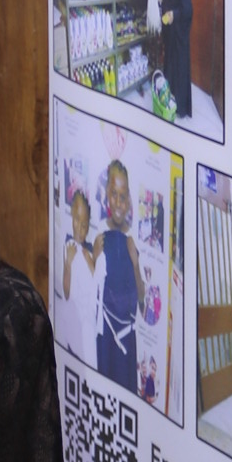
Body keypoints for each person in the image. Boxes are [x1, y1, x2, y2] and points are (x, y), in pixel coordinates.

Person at [94, 160, 140, 392]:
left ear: (129, 199)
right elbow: (91, 291)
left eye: (123, 196)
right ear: (106, 195)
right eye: (114, 194)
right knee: (105, 391)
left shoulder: (134, 238)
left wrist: (135, 263)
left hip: (127, 337)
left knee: (127, 393)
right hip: (106, 335)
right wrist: (94, 257)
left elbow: (143, 299)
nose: (119, 202)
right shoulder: (99, 233)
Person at [54, 188, 102, 367]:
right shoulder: (68, 247)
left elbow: (98, 287)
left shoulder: (88, 252)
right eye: (76, 220)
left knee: (88, 364)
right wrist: (68, 263)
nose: (80, 229)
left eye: (84, 224)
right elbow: (66, 292)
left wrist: (92, 259)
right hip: (72, 321)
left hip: (88, 324)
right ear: (71, 217)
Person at [157, 0, 193, 118]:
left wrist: (174, 15)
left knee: (178, 69)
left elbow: (188, 9)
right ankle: (168, 100)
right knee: (169, 67)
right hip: (170, 34)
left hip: (179, 35)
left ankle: (180, 107)